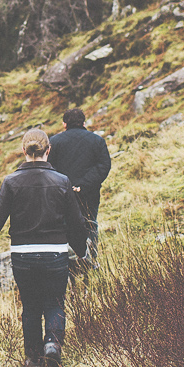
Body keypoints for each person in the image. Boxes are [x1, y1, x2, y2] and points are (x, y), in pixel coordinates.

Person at [0, 127, 91, 367]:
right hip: (55, 253)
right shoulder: (62, 181)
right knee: (55, 304)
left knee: (31, 307)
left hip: (23, 255)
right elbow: (76, 223)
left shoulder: (11, 182)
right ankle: (52, 345)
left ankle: (33, 361)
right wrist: (82, 250)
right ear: (48, 150)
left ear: (23, 151)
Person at [48, 107, 111, 260]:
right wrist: (83, 184)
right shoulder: (97, 140)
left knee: (64, 226)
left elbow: (49, 168)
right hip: (89, 194)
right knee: (89, 224)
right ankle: (90, 260)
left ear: (64, 124)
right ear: (83, 122)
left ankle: (68, 263)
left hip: (62, 194)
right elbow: (104, 166)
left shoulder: (54, 142)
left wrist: (65, 185)